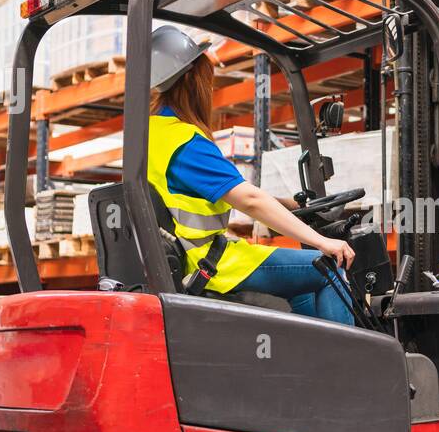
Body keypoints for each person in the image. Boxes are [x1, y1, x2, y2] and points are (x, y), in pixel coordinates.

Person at [147, 25, 357, 325]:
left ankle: (310, 367)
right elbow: (249, 198)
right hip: (211, 263)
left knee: (301, 289)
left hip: (192, 256)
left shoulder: (153, 134)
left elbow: (220, 192)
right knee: (329, 268)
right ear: (193, 79)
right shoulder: (185, 142)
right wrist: (324, 242)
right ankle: (347, 371)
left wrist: (293, 205)